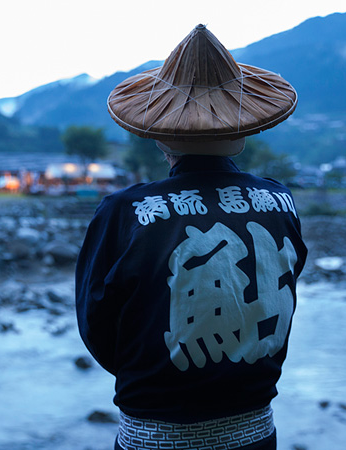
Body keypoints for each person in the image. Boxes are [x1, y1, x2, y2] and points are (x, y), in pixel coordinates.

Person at [75, 24, 307, 450]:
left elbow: (96, 328)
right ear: (243, 130)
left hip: (155, 437)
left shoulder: (125, 211)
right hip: (257, 434)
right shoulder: (280, 200)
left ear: (159, 133)